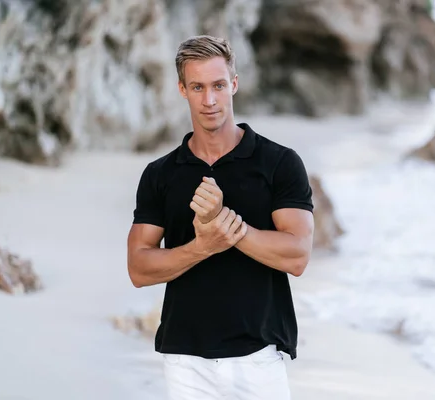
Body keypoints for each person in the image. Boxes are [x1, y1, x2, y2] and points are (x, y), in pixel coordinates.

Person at [126, 35, 315, 400]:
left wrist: (227, 224)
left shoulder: (278, 163)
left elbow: (297, 255)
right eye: (197, 87)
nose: (209, 100)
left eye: (218, 85)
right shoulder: (160, 174)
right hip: (184, 361)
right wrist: (201, 247)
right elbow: (138, 267)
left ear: (234, 84)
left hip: (259, 358)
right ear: (182, 89)